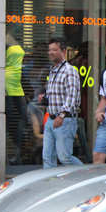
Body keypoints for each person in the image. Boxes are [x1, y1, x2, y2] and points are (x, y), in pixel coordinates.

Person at [38, 37, 83, 168]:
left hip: (64, 120)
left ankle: (87, 174)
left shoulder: (70, 70)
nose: (51, 52)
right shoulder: (53, 70)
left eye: (55, 50)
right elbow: (57, 94)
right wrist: (45, 97)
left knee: (65, 157)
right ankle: (51, 186)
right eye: (50, 50)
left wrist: (62, 115)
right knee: (47, 158)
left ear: (63, 51)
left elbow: (71, 96)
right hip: (50, 119)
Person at [5, 24, 28, 165]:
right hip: (7, 79)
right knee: (7, 118)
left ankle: (17, 152)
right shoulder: (5, 40)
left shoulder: (16, 41)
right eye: (18, 26)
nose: (21, 28)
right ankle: (6, 154)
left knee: (24, 115)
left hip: (16, 79)